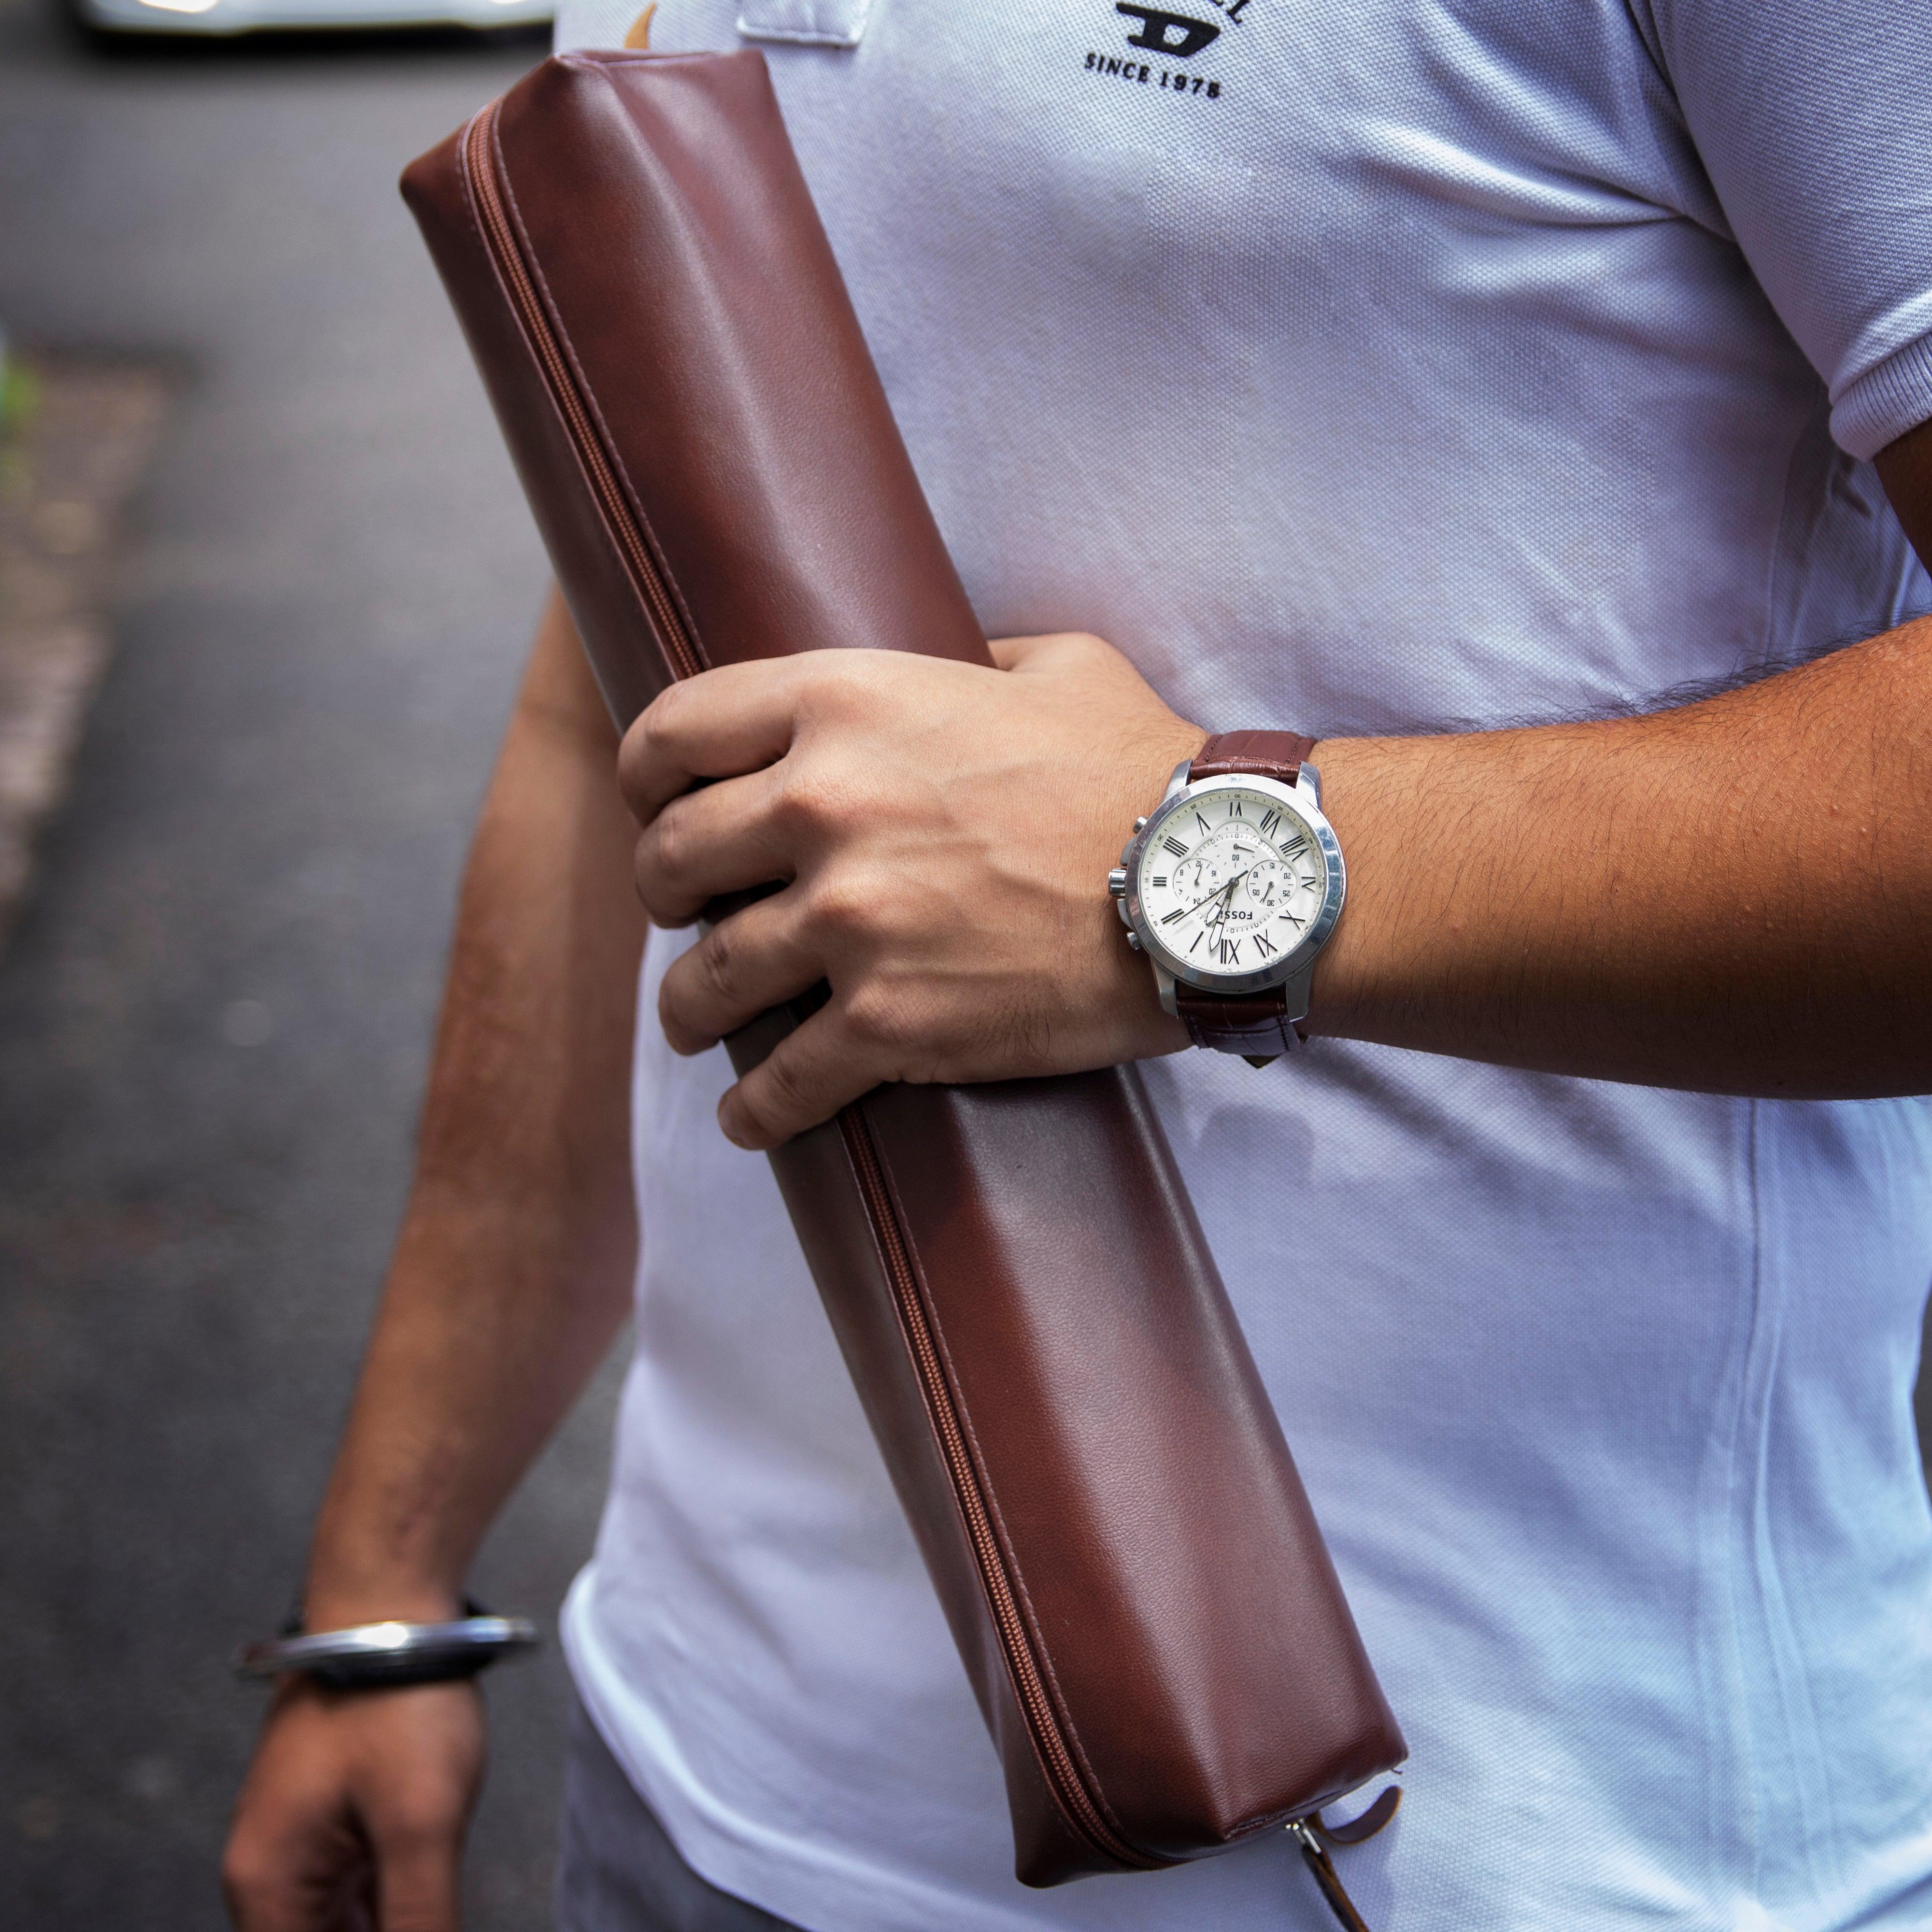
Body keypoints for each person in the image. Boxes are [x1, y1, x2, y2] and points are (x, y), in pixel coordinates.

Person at [223, 0, 1932, 1926]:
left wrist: (1206, 865)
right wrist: (386, 1576)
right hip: (697, 1783)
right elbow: (611, 724)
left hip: (1502, 1852)